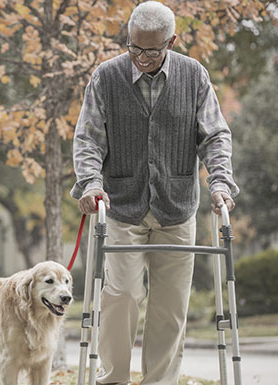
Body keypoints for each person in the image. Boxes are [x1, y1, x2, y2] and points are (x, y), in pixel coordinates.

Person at [70, 1, 239, 384]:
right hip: (121, 206)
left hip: (176, 207)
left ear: (171, 41)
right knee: (123, 296)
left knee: (170, 309)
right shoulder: (106, 76)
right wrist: (91, 182)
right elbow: (88, 140)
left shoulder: (193, 75)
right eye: (133, 47)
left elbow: (215, 135)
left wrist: (221, 182)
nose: (141, 58)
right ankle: (113, 378)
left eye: (151, 50)